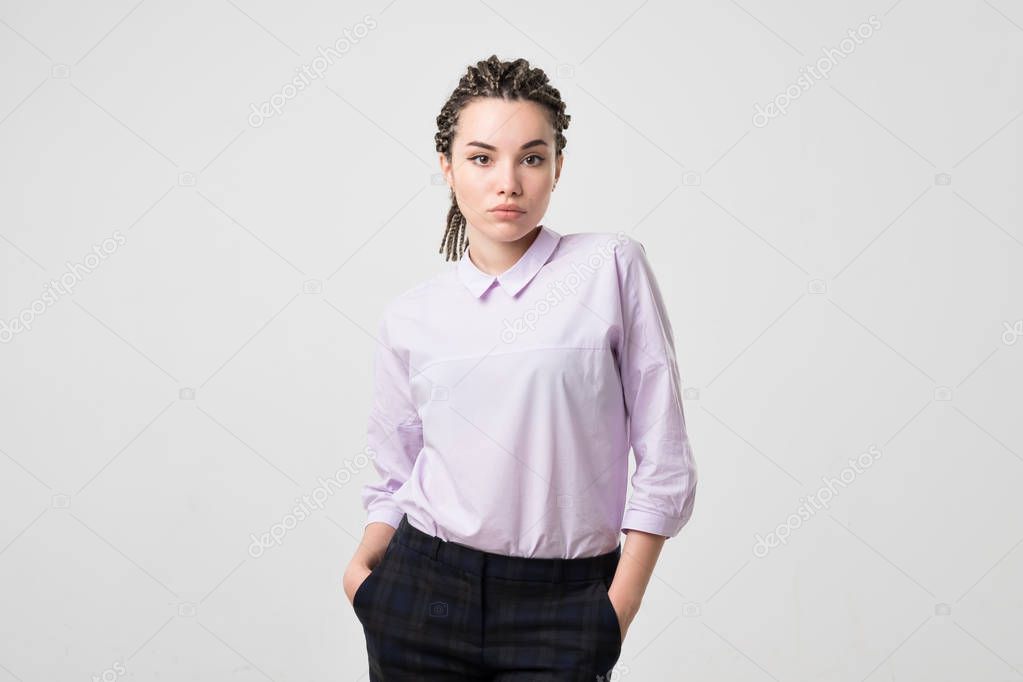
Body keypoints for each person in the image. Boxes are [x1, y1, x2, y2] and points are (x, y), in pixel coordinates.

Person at [342, 54, 697, 681]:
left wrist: (616, 610)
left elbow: (664, 456)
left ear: (558, 167)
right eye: (481, 158)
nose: (508, 181)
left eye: (531, 157)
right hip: (423, 591)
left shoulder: (611, 267)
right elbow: (394, 471)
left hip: (565, 603)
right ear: (448, 169)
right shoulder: (411, 316)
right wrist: (362, 578)